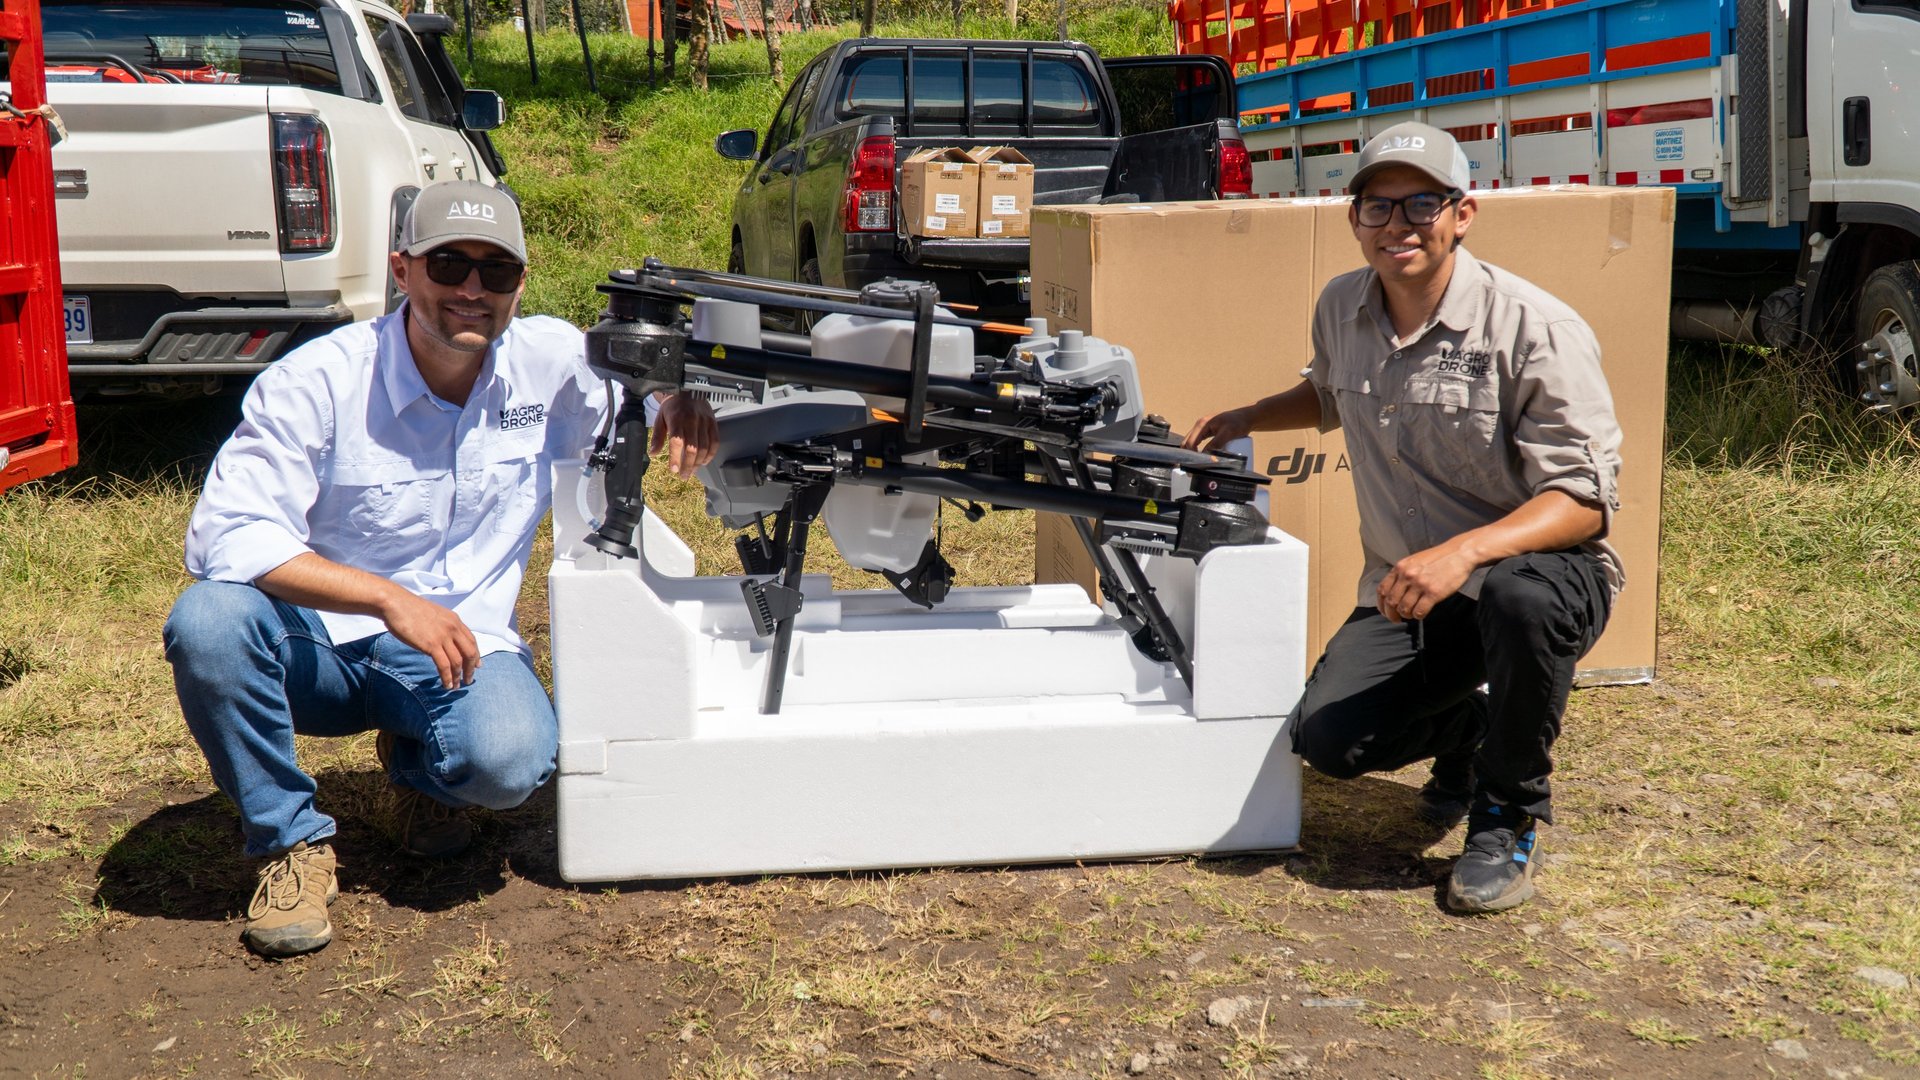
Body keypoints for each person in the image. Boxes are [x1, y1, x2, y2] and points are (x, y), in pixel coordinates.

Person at [163, 180, 716, 957]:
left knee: (511, 762)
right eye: (449, 264)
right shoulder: (318, 380)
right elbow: (230, 535)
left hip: (464, 645)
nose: (470, 290)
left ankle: (418, 777)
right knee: (209, 621)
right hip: (316, 645)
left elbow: (647, 385)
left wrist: (680, 397)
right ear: (402, 270)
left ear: (520, 284)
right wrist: (390, 600)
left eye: (496, 272)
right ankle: (288, 845)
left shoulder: (553, 361)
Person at [1184, 122, 1622, 914]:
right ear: (1353, 219)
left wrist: (1462, 554)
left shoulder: (1535, 329)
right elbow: (1328, 391)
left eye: (1422, 204)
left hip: (1540, 575)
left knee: (1519, 598)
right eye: (1377, 208)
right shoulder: (1343, 305)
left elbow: (1584, 504)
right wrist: (1246, 414)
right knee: (1330, 743)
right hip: (1412, 586)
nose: (1399, 226)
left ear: (1462, 214)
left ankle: (1506, 811)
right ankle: (1470, 730)